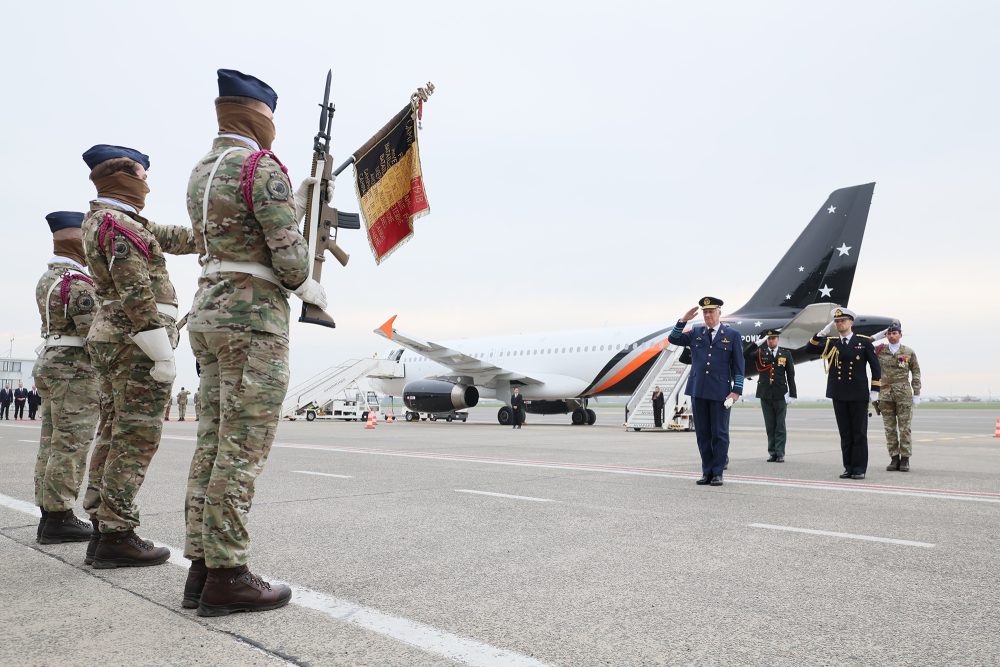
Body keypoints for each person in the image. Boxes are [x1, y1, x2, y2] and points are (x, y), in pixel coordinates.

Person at [182, 69, 327, 616]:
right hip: (252, 316)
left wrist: (301, 198)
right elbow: (285, 249)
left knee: (213, 443)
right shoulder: (260, 167)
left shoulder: (201, 170)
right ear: (258, 115)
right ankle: (227, 574)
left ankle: (199, 566)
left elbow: (229, 232)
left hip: (210, 309)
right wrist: (306, 283)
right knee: (241, 450)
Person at [81, 143, 196, 568]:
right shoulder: (117, 223)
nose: (148, 185)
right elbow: (134, 290)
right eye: (143, 177)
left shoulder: (115, 220)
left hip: (120, 338)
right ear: (126, 178)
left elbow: (182, 237)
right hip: (136, 340)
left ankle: (102, 526)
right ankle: (117, 534)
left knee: (113, 432)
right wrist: (160, 350)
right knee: (135, 437)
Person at [32, 211, 100, 544]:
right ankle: (60, 517)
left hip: (53, 361)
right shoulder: (77, 282)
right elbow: (95, 333)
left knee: (51, 441)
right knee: (71, 443)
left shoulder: (50, 278)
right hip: (75, 369)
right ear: (75, 238)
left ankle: (49, 514)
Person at [667, 297, 745, 486]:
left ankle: (718, 472)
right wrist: (683, 320)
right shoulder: (695, 332)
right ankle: (707, 472)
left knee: (719, 433)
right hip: (698, 390)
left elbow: (739, 366)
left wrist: (736, 391)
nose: (708, 315)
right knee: (702, 434)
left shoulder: (732, 335)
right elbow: (673, 338)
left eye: (711, 311)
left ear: (719, 313)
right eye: (705, 312)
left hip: (720, 392)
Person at [806, 307, 881, 480]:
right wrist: (820, 334)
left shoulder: (863, 342)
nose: (840, 324)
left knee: (859, 433)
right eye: (837, 321)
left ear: (851, 322)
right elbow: (809, 348)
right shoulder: (832, 342)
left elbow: (876, 369)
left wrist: (875, 390)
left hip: (858, 394)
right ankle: (848, 467)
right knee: (845, 433)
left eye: (843, 321)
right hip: (839, 393)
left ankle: (859, 468)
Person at [874, 321, 921, 472]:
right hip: (885, 393)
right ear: (885, 335)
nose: (892, 336)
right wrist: (877, 336)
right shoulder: (880, 350)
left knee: (905, 427)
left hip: (903, 394)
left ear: (900, 334)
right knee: (889, 428)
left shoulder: (908, 352)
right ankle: (894, 458)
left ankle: (905, 459)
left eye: (895, 333)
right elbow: (864, 344)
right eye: (889, 333)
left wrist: (917, 392)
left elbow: (916, 372)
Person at [754, 329, 797, 462]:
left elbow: (790, 374)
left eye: (773, 338)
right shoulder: (761, 353)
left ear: (778, 339)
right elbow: (746, 354)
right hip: (765, 393)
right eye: (768, 339)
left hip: (780, 393)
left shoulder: (785, 354)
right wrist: (757, 344)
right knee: (770, 425)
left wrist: (793, 394)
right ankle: (772, 452)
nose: (771, 341)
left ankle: (780, 453)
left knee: (780, 425)